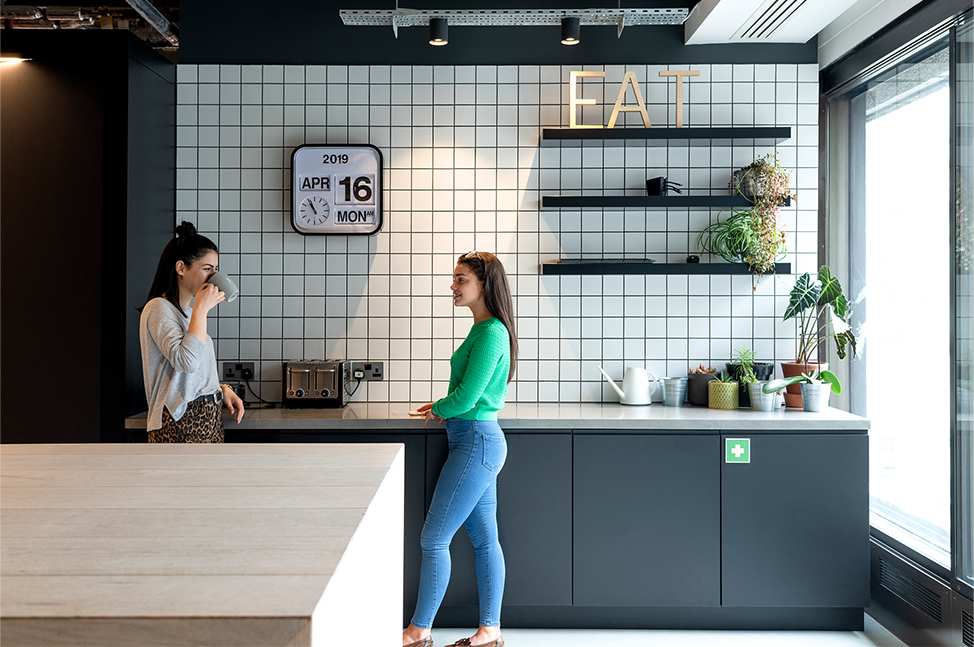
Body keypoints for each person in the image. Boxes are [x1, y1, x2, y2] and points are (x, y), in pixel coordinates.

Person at [402, 251, 518, 647]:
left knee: (434, 539)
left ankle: (418, 632)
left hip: (476, 441)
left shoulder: (491, 333)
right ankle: (490, 632)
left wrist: (438, 407)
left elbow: (467, 397)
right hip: (474, 441)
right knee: (485, 541)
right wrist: (442, 408)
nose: (453, 286)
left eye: (461, 279)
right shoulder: (483, 328)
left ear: (485, 284)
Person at [139, 221, 244, 443]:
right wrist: (202, 309)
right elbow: (186, 362)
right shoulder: (159, 308)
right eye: (207, 269)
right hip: (178, 421)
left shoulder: (188, 313)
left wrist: (220, 388)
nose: (214, 277)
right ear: (180, 268)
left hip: (208, 417)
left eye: (216, 270)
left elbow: (190, 374)